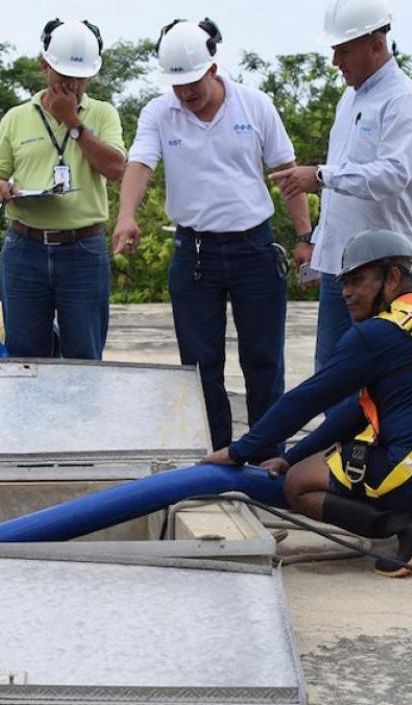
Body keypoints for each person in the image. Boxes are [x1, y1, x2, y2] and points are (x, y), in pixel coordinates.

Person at [202, 229, 412, 576]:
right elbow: (355, 412)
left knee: (300, 483)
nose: (346, 293)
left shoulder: (376, 333)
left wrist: (240, 451)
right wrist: (290, 457)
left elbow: (309, 397)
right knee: (354, 453)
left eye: (357, 281)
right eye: (344, 283)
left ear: (392, 278)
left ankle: (410, 527)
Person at [114, 18, 313, 455]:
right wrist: (126, 216)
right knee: (200, 364)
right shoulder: (158, 112)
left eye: (193, 83)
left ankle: (267, 457)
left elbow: (287, 173)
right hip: (195, 252)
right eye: (177, 84)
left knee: (263, 360)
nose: (185, 93)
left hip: (254, 249)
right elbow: (140, 163)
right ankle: (214, 455)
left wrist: (306, 236)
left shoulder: (255, 106)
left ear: (213, 69)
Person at [268, 0, 412, 374]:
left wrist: (320, 176)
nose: (335, 62)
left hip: (384, 270)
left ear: (375, 46)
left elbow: (393, 174)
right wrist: (316, 243)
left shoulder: (405, 100)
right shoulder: (350, 97)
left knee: (382, 377)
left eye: (343, 51)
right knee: (332, 374)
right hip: (339, 265)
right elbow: (342, 189)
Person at [0, 18, 126, 359]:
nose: (73, 86)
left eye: (81, 78)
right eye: (64, 77)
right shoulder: (16, 117)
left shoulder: (103, 113)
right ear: (44, 66)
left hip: (83, 249)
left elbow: (115, 168)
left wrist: (73, 122)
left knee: (84, 356)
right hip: (24, 248)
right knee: (25, 357)